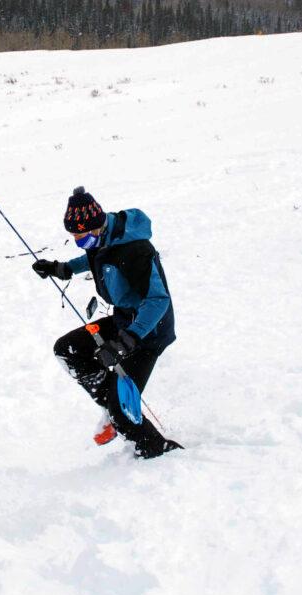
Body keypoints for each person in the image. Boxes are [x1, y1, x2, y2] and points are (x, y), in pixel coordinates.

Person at [31, 187, 182, 459]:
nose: (79, 241)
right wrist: (62, 269)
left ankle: (160, 453)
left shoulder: (134, 250)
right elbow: (94, 258)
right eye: (74, 237)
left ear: (99, 226)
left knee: (121, 412)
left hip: (149, 332)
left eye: (82, 236)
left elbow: (159, 300)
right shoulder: (101, 239)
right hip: (125, 321)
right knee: (68, 349)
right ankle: (114, 404)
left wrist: (128, 340)